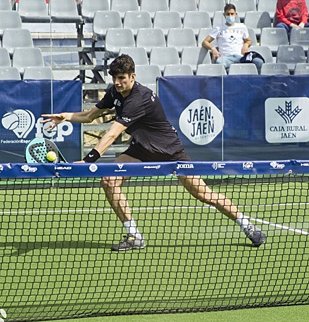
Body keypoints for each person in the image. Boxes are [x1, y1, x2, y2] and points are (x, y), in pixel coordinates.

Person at [41, 55, 267, 251]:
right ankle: (134, 236)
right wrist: (66, 116)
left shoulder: (138, 99)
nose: (118, 83)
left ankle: (246, 224)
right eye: (115, 78)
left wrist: (88, 161)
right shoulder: (114, 92)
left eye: (122, 78)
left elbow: (111, 135)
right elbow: (90, 115)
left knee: (203, 194)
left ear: (132, 76)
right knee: (109, 180)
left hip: (170, 152)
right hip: (141, 149)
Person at [201, 4, 264, 72]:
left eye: (232, 14)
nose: (230, 16)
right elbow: (205, 42)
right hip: (225, 57)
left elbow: (248, 40)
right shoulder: (218, 28)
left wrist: (246, 45)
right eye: (228, 14)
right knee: (219, 63)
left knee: (259, 62)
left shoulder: (241, 27)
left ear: (235, 14)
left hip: (240, 57)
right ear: (224, 14)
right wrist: (213, 49)